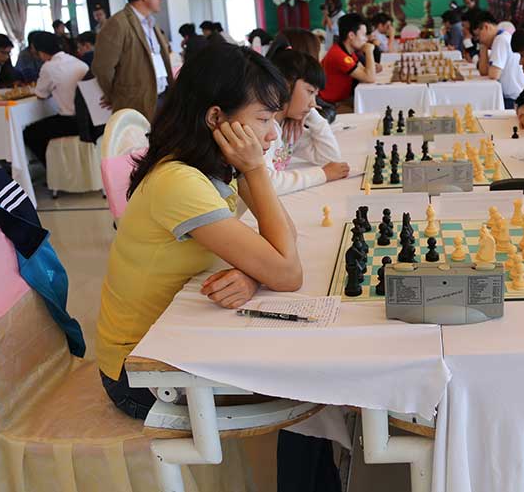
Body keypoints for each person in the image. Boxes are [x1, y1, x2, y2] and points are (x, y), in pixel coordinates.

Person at [96, 43, 339, 489]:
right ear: (215, 118)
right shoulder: (179, 182)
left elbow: (283, 239)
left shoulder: (209, 167)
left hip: (174, 344)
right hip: (142, 375)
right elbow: (288, 273)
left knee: (310, 370)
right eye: (263, 119)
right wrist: (258, 173)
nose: (272, 135)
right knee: (310, 382)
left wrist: (252, 272)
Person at [264, 48, 349, 193]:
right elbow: (267, 183)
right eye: (310, 92)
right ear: (286, 84)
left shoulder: (288, 126)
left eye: (315, 95)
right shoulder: (265, 127)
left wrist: (312, 115)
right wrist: (323, 174)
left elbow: (330, 158)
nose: (313, 103)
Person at [90, 0, 173, 119]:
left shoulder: (151, 23)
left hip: (162, 97)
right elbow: (102, 68)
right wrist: (115, 95)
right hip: (137, 103)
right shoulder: (117, 24)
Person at [22, 33, 89, 165]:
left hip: (71, 121)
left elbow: (41, 95)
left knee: (30, 133)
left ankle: (52, 167)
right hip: (88, 119)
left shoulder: (49, 67)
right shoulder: (77, 61)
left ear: (41, 52)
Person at [468, 10, 524, 108]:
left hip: (513, 99)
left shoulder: (500, 40)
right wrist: (483, 47)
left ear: (486, 27)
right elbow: (483, 72)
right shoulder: (500, 38)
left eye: (478, 36)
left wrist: (483, 46)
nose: (479, 40)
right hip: (511, 96)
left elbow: (494, 74)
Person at [319, 13, 377, 105]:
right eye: (363, 35)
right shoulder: (339, 55)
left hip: (342, 99)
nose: (366, 39)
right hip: (331, 104)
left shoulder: (347, 51)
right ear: (351, 35)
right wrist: (369, 51)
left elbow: (365, 71)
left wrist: (371, 67)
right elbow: (370, 78)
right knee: (371, 104)